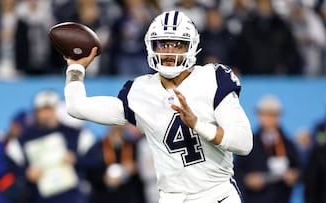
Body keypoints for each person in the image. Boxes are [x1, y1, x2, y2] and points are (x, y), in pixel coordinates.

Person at [64, 10, 253, 203]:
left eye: (178, 45)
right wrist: (75, 68)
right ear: (150, 45)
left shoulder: (213, 79)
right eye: (162, 44)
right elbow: (76, 107)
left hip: (217, 196)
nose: (169, 52)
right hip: (172, 198)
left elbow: (243, 143)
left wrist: (197, 124)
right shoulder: (139, 91)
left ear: (192, 46)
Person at [5, 90, 95, 203]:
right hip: (39, 197)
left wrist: (76, 159)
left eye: (50, 109)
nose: (46, 114)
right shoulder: (24, 138)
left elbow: (95, 159)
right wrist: (26, 173)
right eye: (42, 110)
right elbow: (10, 165)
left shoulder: (76, 134)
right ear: (36, 112)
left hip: (72, 197)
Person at [234, 94, 301, 203]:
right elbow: (236, 171)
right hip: (255, 199)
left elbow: (299, 169)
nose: (270, 119)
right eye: (266, 114)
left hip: (281, 198)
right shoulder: (248, 143)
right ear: (259, 116)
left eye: (273, 115)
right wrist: (247, 180)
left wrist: (294, 175)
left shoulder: (288, 144)